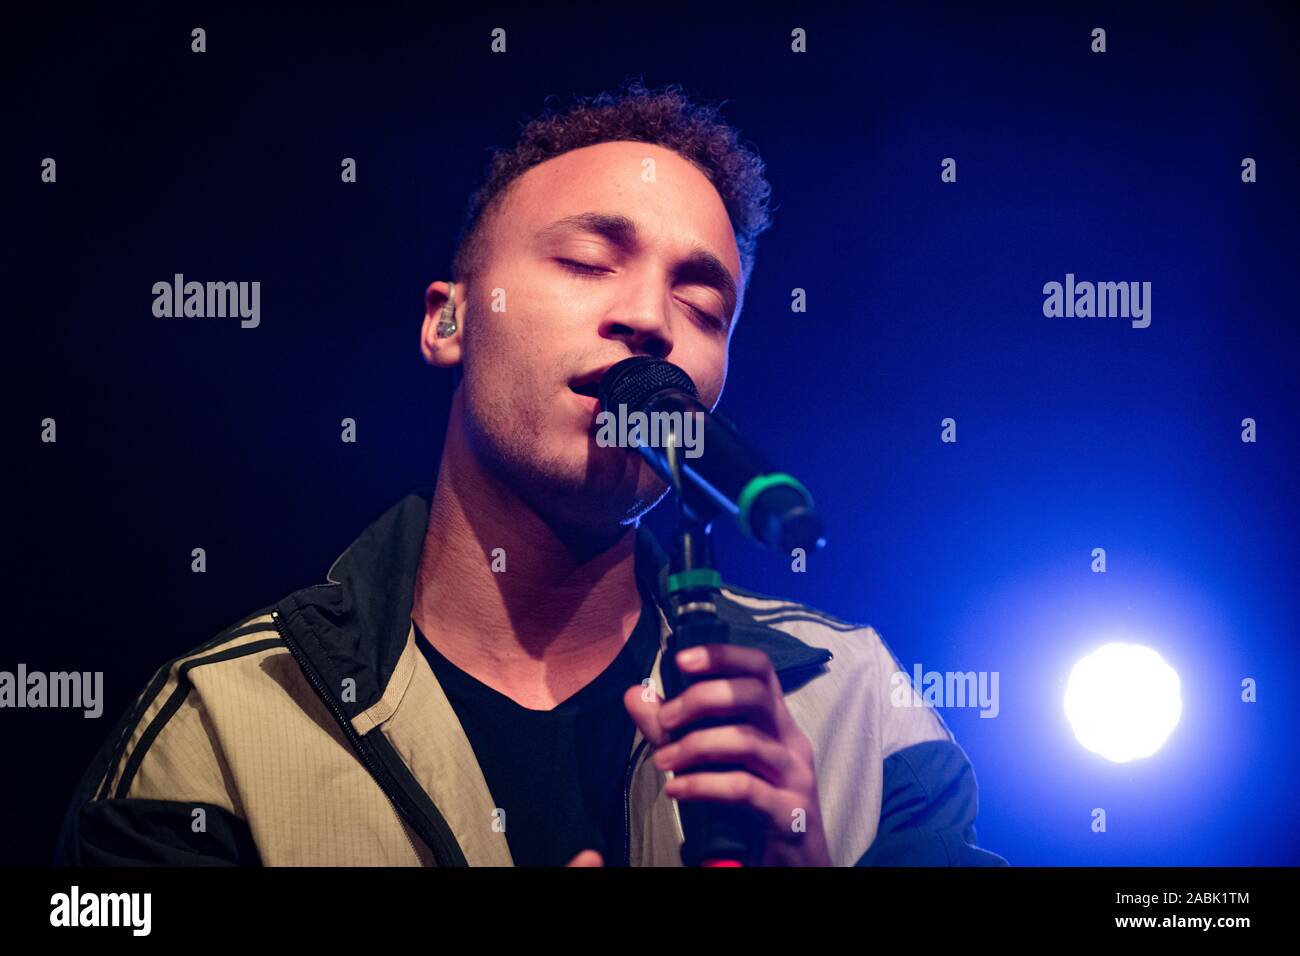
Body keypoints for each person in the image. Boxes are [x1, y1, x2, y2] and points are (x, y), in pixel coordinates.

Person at [54, 79, 1006, 867]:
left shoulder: (856, 705)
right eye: (591, 260)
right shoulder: (223, 728)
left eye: (703, 302)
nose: (652, 321)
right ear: (448, 321)